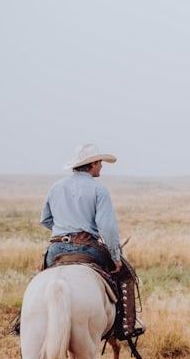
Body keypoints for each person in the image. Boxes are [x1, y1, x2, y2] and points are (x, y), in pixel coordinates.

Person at [40, 144, 142, 338]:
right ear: (93, 164)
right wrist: (116, 257)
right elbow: (108, 229)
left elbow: (45, 220)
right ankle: (125, 327)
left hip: (57, 248)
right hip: (87, 248)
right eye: (100, 162)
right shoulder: (99, 190)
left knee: (41, 277)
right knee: (125, 275)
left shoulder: (56, 187)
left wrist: (65, 233)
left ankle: (24, 321)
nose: (102, 166)